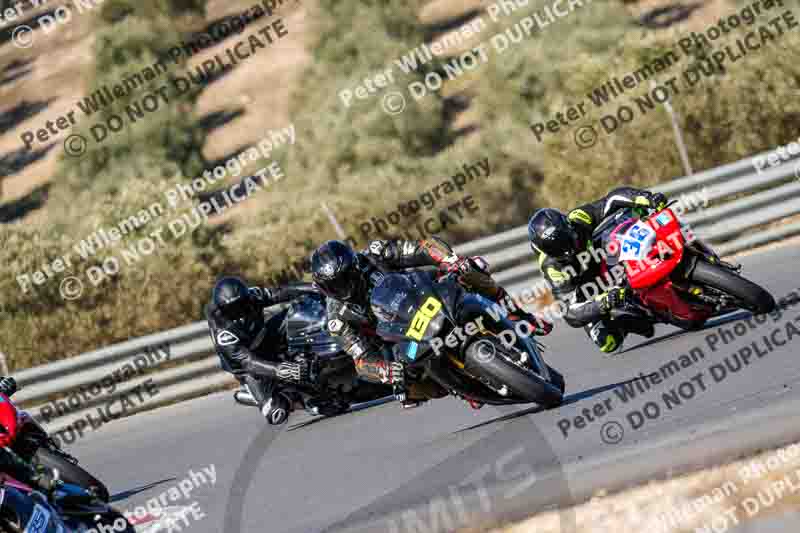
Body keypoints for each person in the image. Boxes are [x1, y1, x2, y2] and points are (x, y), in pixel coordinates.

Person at [310, 237, 552, 408]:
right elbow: (362, 360)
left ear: (354, 265)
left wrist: (451, 260)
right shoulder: (337, 320)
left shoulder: (374, 255)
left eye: (347, 277)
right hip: (399, 336)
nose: (346, 287)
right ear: (324, 289)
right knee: (407, 391)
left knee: (470, 271)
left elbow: (424, 247)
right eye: (335, 285)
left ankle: (516, 314)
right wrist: (386, 371)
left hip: (426, 294)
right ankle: (461, 386)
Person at [527, 187, 668, 354]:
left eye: (566, 239)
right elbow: (570, 313)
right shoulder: (551, 268)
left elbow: (611, 200)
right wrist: (603, 302)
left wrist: (646, 198)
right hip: (589, 290)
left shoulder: (578, 218)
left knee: (623, 224)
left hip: (605, 257)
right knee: (608, 343)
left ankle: (659, 258)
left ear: (567, 225)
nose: (568, 251)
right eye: (557, 249)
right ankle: (628, 317)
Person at [205, 276, 321, 425]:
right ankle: (295, 396)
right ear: (223, 310)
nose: (240, 310)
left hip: (264, 337)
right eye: (233, 309)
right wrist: (283, 370)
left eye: (242, 304)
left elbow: (281, 292)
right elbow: (248, 362)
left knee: (297, 315)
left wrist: (316, 288)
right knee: (276, 414)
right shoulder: (223, 332)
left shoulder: (252, 296)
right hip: (249, 369)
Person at [0, 377, 61, 494]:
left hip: (7, 427)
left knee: (23, 415)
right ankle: (33, 481)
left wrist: (2, 383)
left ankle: (47, 443)